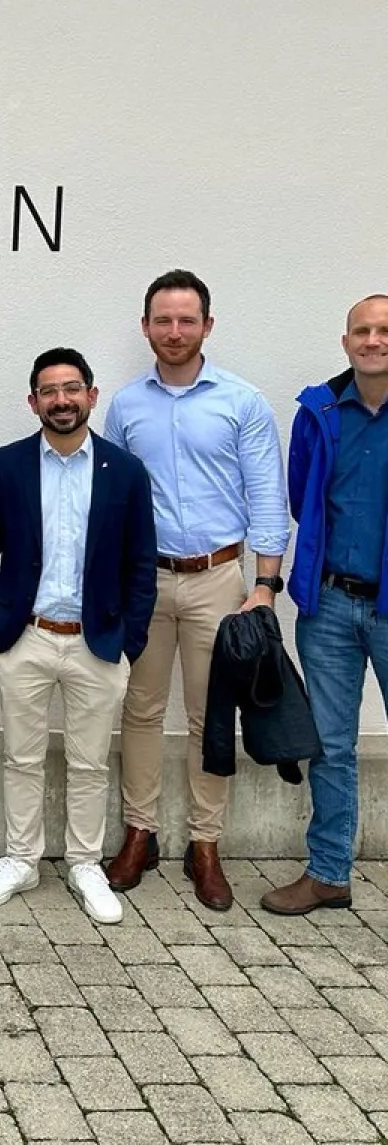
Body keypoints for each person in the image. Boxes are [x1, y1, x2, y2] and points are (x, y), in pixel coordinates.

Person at [102, 270, 290, 910]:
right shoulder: (126, 406)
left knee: (212, 716)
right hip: (147, 581)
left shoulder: (241, 402)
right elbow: (115, 500)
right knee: (142, 710)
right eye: (163, 320)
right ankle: (140, 832)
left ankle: (204, 844)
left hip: (220, 580)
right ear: (145, 326)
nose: (174, 332)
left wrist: (265, 586)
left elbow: (268, 497)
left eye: (187, 320)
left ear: (208, 325)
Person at [0, 348, 157, 924]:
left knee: (90, 762)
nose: (61, 400)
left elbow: (141, 563)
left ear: (91, 396)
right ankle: (21, 859)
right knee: (21, 757)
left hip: (97, 640)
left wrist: (130, 640)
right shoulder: (6, 465)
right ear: (33, 402)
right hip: (24, 638)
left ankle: (83, 863)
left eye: (72, 388)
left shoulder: (124, 471)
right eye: (49, 391)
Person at [263, 295, 388, 914]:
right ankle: (330, 872)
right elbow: (299, 496)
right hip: (332, 606)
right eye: (362, 330)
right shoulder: (319, 412)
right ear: (345, 342)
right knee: (333, 746)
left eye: (384, 330)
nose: (373, 340)